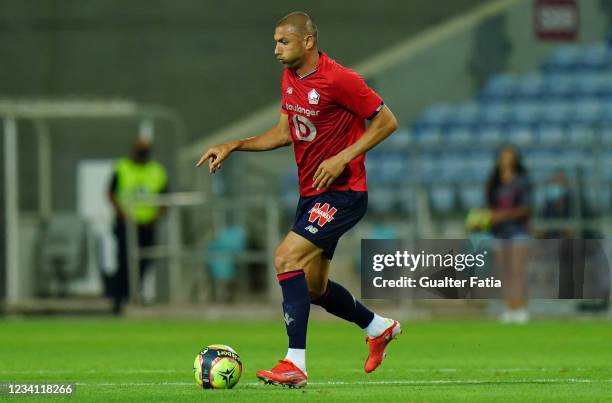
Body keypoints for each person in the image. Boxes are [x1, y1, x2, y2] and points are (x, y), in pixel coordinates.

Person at [197, 12, 400, 388]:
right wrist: (235, 144)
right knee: (314, 289)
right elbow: (284, 131)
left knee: (284, 258)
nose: (275, 49)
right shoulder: (290, 77)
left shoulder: (340, 79)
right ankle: (379, 327)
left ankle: (296, 364)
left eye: (283, 42)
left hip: (344, 193)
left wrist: (344, 156)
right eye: (274, 41)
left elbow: (387, 121)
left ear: (308, 41)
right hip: (311, 195)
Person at [108, 139, 168, 314]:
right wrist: (123, 214)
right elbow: (111, 193)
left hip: (148, 225)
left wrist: (155, 217)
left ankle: (136, 294)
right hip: (126, 225)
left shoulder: (157, 170)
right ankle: (118, 299)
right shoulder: (122, 167)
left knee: (144, 262)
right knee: (124, 262)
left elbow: (165, 198)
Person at [485, 144, 532, 324]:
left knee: (517, 272)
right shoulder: (495, 181)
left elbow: (526, 208)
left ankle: (521, 307)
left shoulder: (521, 181)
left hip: (517, 231)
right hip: (498, 232)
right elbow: (490, 205)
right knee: (503, 273)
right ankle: (509, 308)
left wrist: (503, 215)